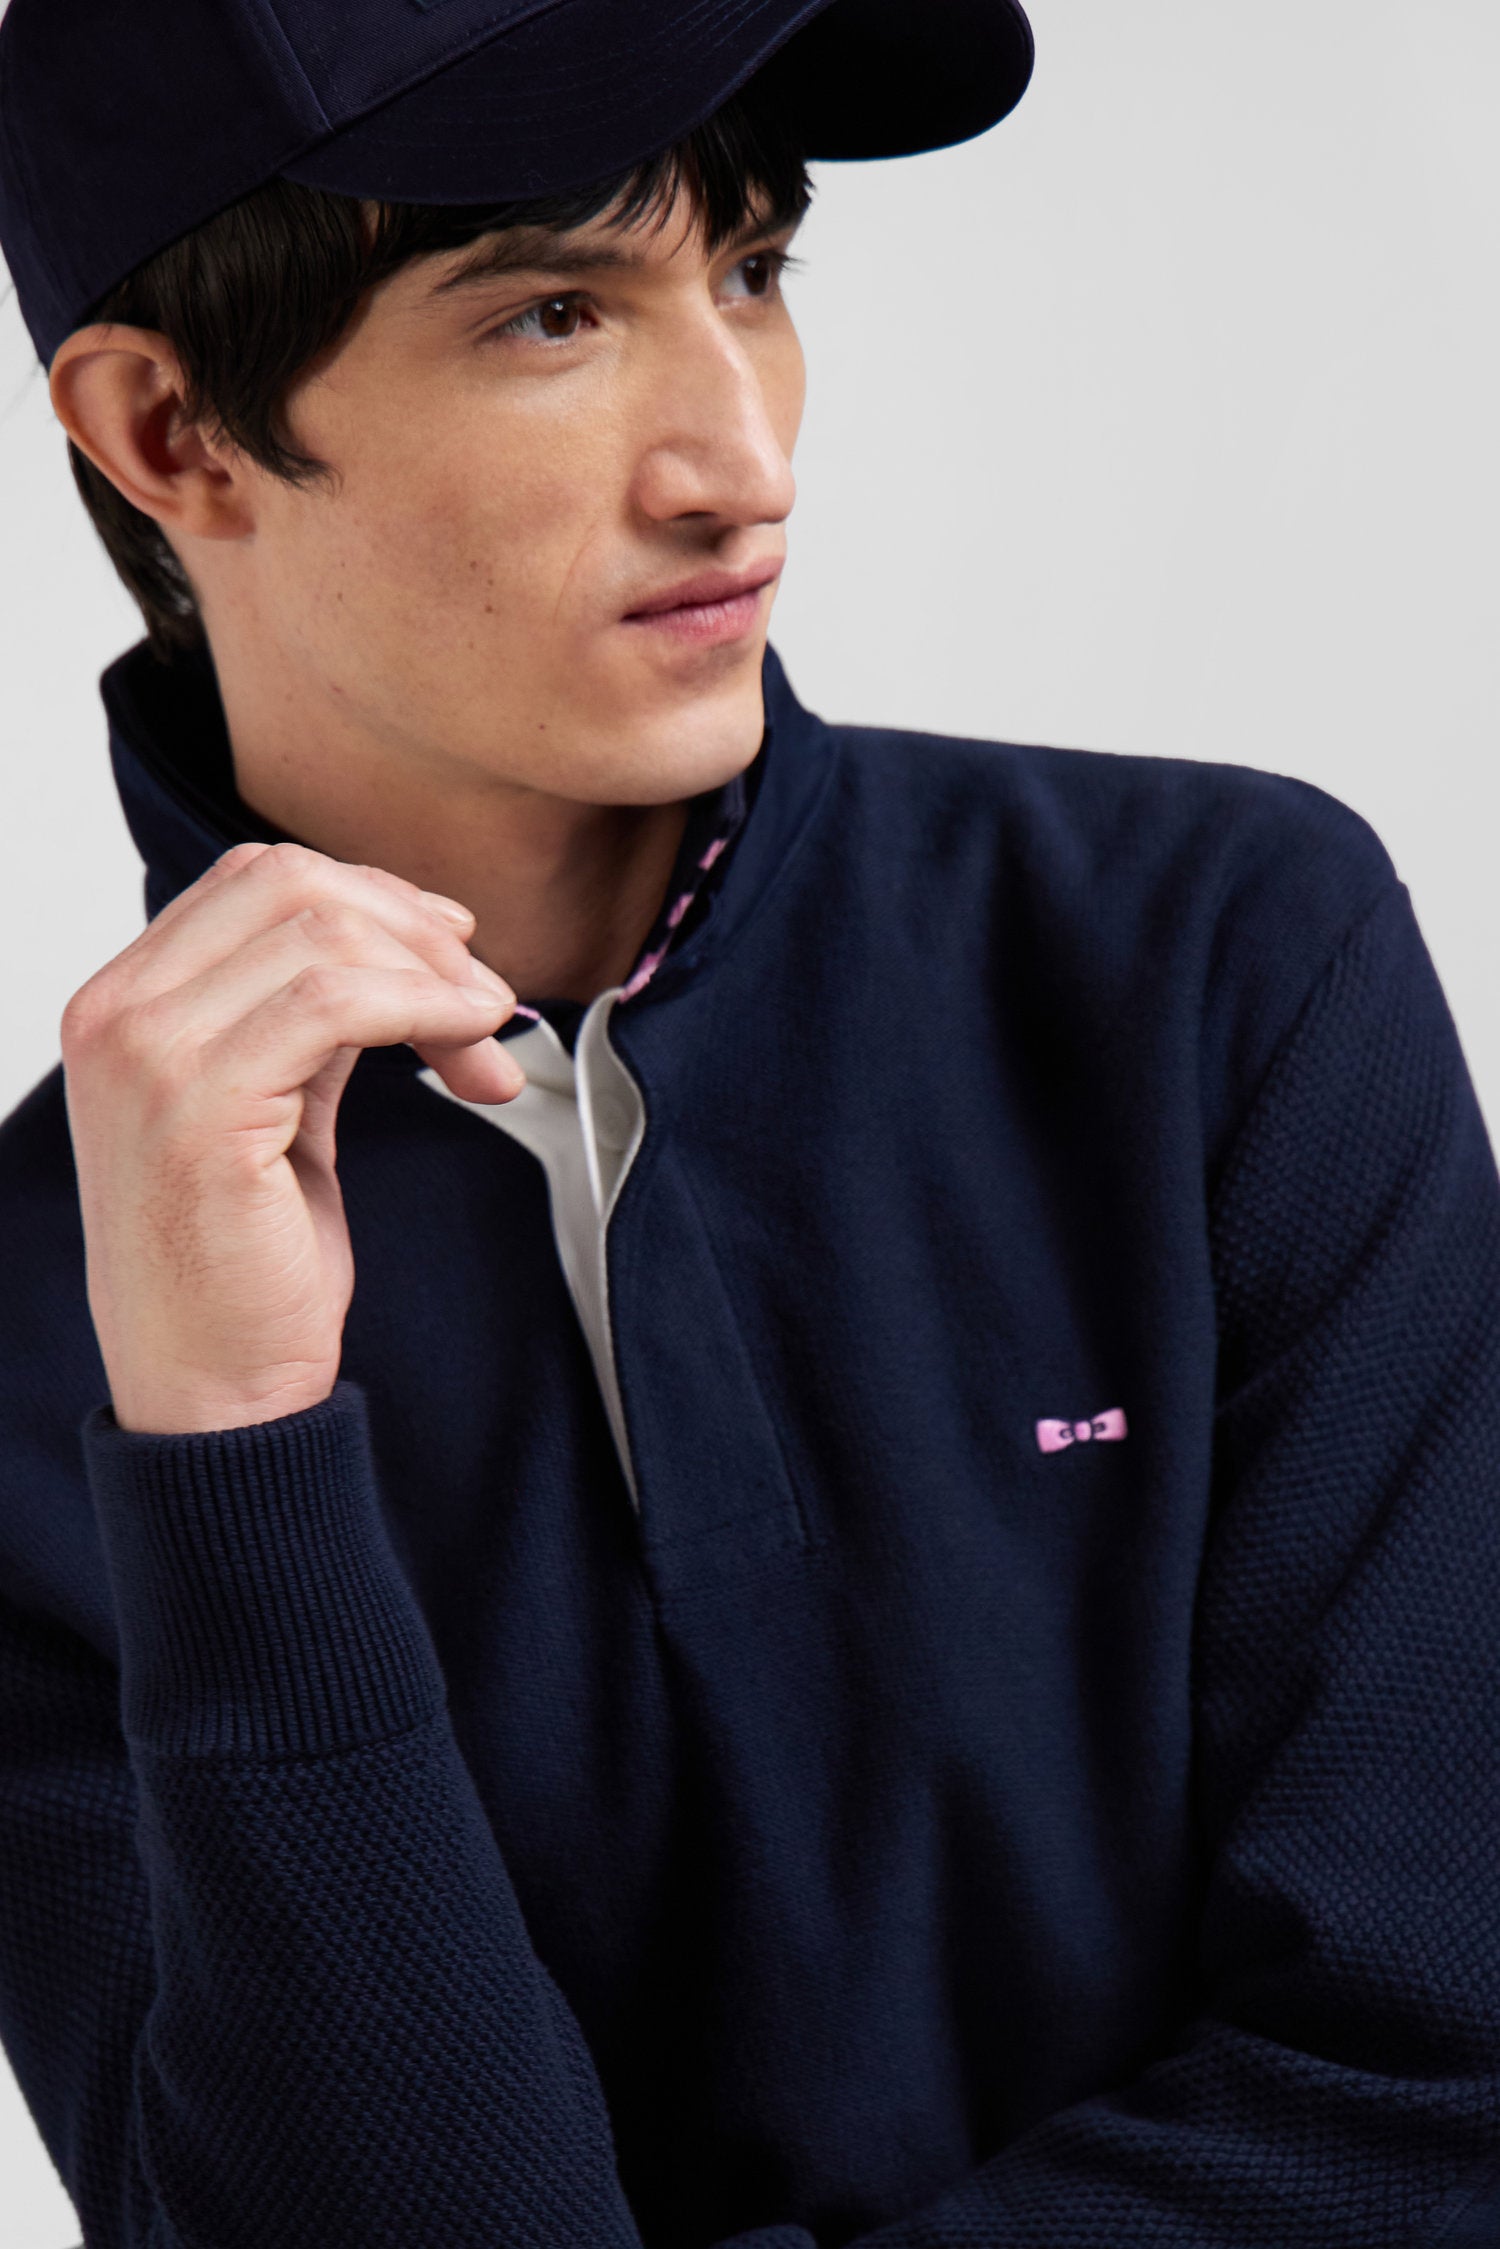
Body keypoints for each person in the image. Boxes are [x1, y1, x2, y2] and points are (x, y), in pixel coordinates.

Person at [1, 0, 1497, 2242]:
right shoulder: (54, 1332)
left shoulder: (1211, 962)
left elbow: (1438, 2089)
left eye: (756, 270)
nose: (741, 460)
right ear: (174, 431)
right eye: (550, 313)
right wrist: (230, 1459)